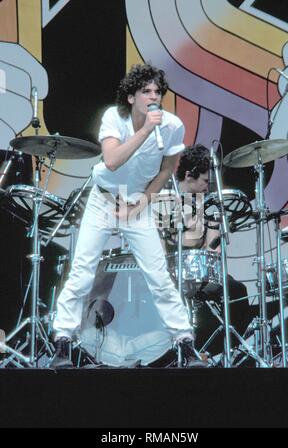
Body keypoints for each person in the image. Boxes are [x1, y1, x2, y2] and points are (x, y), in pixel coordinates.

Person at [50, 63, 206, 368]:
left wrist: (141, 205)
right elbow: (111, 161)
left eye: (157, 91)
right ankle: (63, 340)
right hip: (104, 199)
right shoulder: (115, 117)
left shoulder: (172, 125)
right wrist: (146, 129)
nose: (153, 96)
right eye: (145, 91)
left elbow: (166, 171)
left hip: (137, 204)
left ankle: (185, 344)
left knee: (159, 276)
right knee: (82, 271)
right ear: (132, 97)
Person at [168, 144, 248, 352]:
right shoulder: (165, 199)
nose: (208, 186)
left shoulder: (207, 201)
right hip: (171, 271)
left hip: (200, 270)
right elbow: (177, 242)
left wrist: (212, 222)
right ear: (188, 176)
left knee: (238, 290)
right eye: (205, 181)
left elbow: (214, 249)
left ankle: (223, 353)